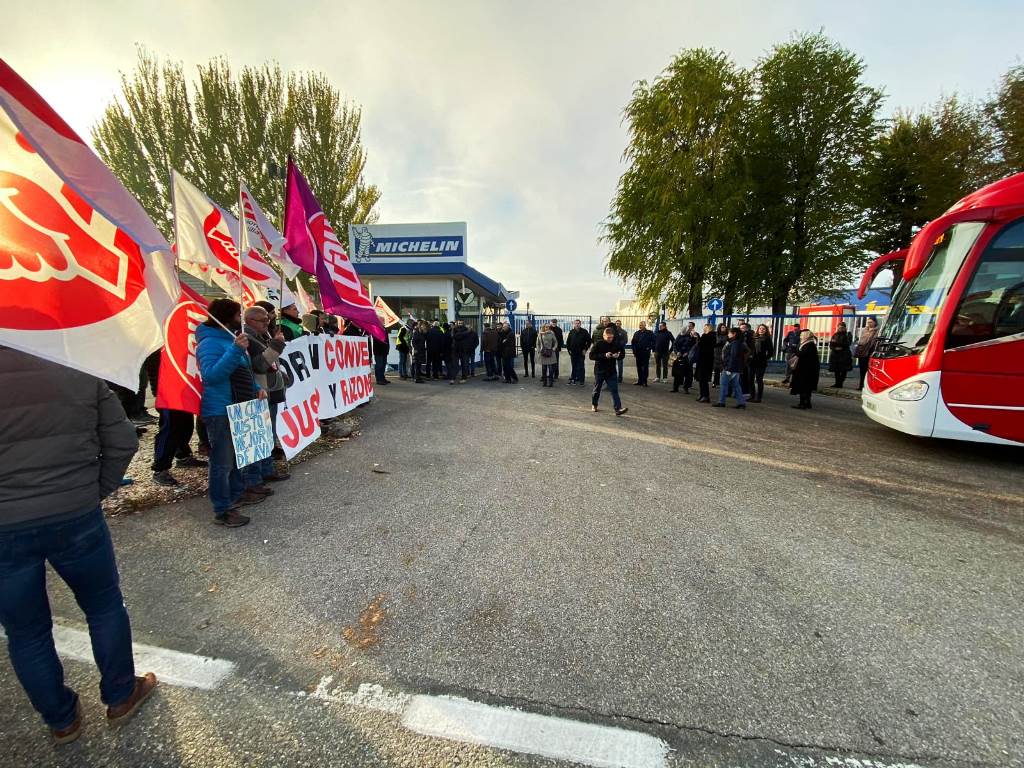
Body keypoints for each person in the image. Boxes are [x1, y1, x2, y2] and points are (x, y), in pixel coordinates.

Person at [0, 348, 160, 744]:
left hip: (6, 527)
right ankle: (121, 694)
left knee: (26, 631)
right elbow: (123, 440)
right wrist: (95, 491)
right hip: (76, 513)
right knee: (104, 605)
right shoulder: (75, 368)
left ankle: (61, 720)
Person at [196, 298, 269, 527]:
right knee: (222, 462)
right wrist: (235, 349)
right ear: (227, 317)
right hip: (220, 410)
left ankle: (237, 495)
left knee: (239, 457)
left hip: (241, 407)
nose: (241, 320)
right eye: (238, 315)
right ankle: (222, 509)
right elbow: (211, 375)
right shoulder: (209, 343)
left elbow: (242, 372)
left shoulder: (232, 338)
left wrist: (257, 389)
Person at [242, 306, 290, 484]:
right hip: (261, 393)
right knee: (261, 434)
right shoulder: (248, 338)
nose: (267, 323)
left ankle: (267, 469)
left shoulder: (263, 335)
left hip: (271, 390)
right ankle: (259, 473)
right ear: (250, 321)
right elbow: (260, 365)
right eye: (263, 320)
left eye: (267, 320)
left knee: (269, 433)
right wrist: (277, 345)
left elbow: (272, 363)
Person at [589, 326, 628, 415]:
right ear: (604, 336)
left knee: (614, 390)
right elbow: (591, 356)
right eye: (608, 337)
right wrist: (604, 355)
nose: (610, 339)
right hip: (600, 371)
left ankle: (618, 409)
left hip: (611, 371)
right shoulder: (598, 344)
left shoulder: (616, 344)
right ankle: (594, 404)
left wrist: (618, 356)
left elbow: (622, 354)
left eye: (611, 337)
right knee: (597, 390)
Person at [712, 327, 747, 409]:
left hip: (730, 368)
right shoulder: (738, 342)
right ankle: (741, 403)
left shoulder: (734, 343)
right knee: (736, 385)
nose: (728, 334)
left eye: (729, 333)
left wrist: (729, 368)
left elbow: (733, 356)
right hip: (736, 368)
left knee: (723, 384)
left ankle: (721, 402)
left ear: (734, 334)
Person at [790, 329, 821, 409]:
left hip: (806, 370)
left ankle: (803, 403)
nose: (800, 336)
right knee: (805, 388)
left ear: (806, 335)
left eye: (802, 334)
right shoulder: (807, 343)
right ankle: (806, 403)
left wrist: (794, 350)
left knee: (804, 387)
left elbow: (803, 355)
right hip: (805, 369)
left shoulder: (809, 345)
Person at [748, 323, 773, 403]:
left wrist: (764, 358)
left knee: (759, 380)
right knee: (750, 379)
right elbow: (749, 349)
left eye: (763, 329)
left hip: (761, 363)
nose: (761, 330)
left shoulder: (767, 339)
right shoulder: (754, 338)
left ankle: (758, 398)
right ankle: (752, 396)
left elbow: (771, 352)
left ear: (766, 330)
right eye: (760, 328)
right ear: (758, 329)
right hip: (752, 362)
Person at [565, 319, 592, 385]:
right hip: (573, 352)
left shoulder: (584, 332)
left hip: (581, 352)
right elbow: (568, 342)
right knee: (574, 366)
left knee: (581, 367)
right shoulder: (571, 332)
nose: (577, 324)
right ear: (574, 324)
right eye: (576, 323)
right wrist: (569, 350)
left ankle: (581, 380)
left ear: (580, 324)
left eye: (578, 323)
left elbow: (589, 341)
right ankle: (573, 379)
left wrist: (585, 349)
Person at [672, 324, 698, 394]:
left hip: (688, 357)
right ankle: (675, 387)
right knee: (677, 372)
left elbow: (694, 346)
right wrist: (677, 352)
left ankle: (686, 387)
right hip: (679, 355)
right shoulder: (680, 335)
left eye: (690, 327)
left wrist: (688, 352)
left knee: (688, 373)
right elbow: (675, 344)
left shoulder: (693, 336)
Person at [855, 317, 879, 390]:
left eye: (871, 322)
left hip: (871, 352)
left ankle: (869, 386)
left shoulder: (877, 330)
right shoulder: (865, 330)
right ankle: (861, 385)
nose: (869, 324)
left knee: (871, 371)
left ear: (875, 322)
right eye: (868, 322)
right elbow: (861, 340)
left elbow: (875, 341)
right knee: (862, 370)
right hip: (862, 352)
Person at [694, 323, 716, 402]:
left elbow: (701, 344)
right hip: (702, 359)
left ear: (709, 328)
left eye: (705, 327)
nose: (704, 328)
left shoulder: (710, 336)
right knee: (700, 378)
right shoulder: (705, 336)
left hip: (706, 360)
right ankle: (702, 394)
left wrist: (699, 338)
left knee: (704, 379)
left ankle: (706, 395)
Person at [828, 322, 854, 388]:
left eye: (842, 327)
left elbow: (847, 343)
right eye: (839, 327)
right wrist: (835, 347)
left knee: (843, 370)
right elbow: (831, 344)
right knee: (836, 370)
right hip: (835, 355)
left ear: (845, 328)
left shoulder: (848, 335)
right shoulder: (835, 335)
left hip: (844, 355)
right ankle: (837, 383)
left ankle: (840, 383)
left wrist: (838, 345)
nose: (840, 329)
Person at [631, 321, 655, 386]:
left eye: (642, 325)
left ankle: (644, 381)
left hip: (645, 353)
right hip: (638, 353)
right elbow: (633, 343)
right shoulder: (636, 333)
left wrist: (649, 348)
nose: (640, 326)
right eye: (640, 325)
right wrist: (634, 351)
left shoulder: (649, 333)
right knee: (638, 367)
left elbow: (653, 341)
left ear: (645, 325)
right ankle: (640, 380)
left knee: (645, 367)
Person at [738, 321, 755, 396]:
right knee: (741, 376)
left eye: (743, 328)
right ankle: (742, 391)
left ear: (747, 329)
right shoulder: (740, 336)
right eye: (740, 328)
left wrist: (749, 356)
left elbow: (750, 348)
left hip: (746, 359)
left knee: (745, 376)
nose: (742, 329)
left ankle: (746, 392)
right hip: (741, 358)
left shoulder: (749, 336)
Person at [713, 322, 727, 388]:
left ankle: (723, 382)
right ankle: (715, 382)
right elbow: (714, 343)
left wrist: (721, 343)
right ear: (719, 328)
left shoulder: (727, 335)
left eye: (724, 327)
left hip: (724, 353)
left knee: (723, 369)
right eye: (722, 327)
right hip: (716, 353)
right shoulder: (716, 334)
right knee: (716, 369)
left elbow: (726, 343)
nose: (724, 328)